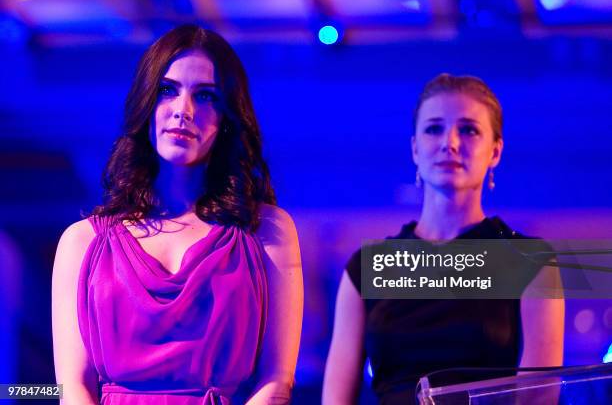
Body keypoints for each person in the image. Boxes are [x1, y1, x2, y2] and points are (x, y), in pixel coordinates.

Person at [52, 24, 303, 405]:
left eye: (206, 96)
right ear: (146, 102)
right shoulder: (82, 242)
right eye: (168, 90)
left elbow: (276, 381)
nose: (183, 111)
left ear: (227, 118)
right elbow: (72, 387)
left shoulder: (266, 231)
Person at [322, 74, 564, 404]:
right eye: (434, 128)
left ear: (495, 151)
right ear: (415, 149)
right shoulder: (366, 267)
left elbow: (539, 398)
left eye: (469, 129)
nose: (449, 142)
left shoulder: (531, 262)